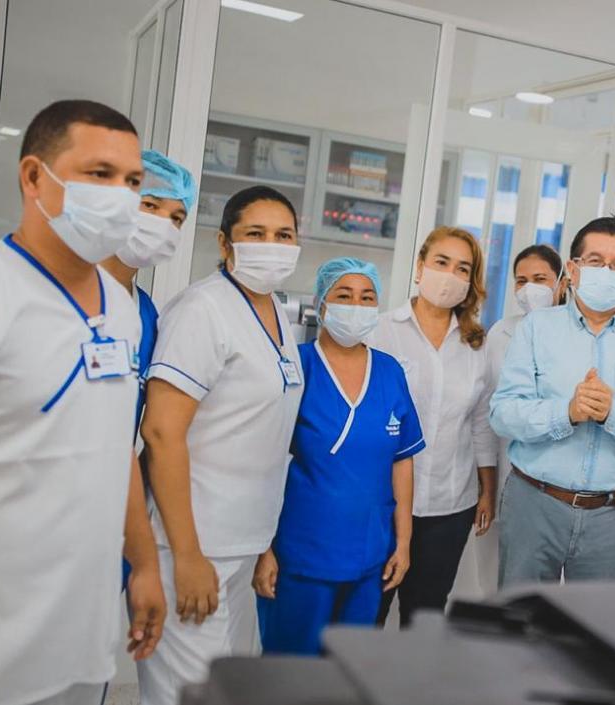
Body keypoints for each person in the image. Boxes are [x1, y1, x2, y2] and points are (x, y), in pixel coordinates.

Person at [0, 99, 164, 705]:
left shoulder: (121, 310)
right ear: (34, 177)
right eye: (99, 174)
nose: (122, 195)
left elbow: (115, 447)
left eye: (132, 181)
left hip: (81, 639)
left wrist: (144, 564)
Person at [138, 186, 304, 705]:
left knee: (228, 692)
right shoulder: (203, 308)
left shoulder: (276, 313)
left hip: (241, 542)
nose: (272, 245)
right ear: (225, 242)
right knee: (187, 694)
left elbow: (261, 435)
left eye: (284, 235)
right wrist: (187, 555)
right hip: (194, 542)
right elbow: (161, 431)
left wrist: (263, 544)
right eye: (256, 233)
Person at [491, 216, 615, 586]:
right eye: (596, 261)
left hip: (610, 514)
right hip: (534, 503)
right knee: (520, 616)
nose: (607, 272)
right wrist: (567, 412)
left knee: (594, 621)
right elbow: (503, 413)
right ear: (573, 269)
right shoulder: (537, 328)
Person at [254, 258, 423, 653]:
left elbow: (402, 460)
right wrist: (263, 549)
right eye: (344, 296)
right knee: (289, 671)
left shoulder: (389, 371)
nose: (356, 305)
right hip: (299, 555)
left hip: (370, 554)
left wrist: (403, 542)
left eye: (367, 297)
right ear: (321, 303)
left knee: (346, 669)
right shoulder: (296, 366)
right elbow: (262, 463)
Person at [370, 226, 497, 627]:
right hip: (382, 501)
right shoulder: (381, 331)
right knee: (369, 612)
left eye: (463, 269)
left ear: (471, 282)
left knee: (424, 618)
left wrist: (488, 490)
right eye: (442, 262)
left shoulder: (476, 344)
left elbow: (480, 422)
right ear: (420, 266)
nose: (450, 275)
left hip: (449, 503)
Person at [458, 244, 567, 597]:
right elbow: (486, 415)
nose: (530, 288)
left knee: (552, 595)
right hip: (507, 476)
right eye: (521, 280)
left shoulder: (577, 334)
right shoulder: (501, 333)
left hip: (561, 485)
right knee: (498, 586)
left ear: (562, 282)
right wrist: (487, 489)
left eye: (540, 279)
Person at [99, 148, 197, 425]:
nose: (163, 224)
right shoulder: (62, 292)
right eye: (150, 206)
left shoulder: (146, 314)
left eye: (176, 218)